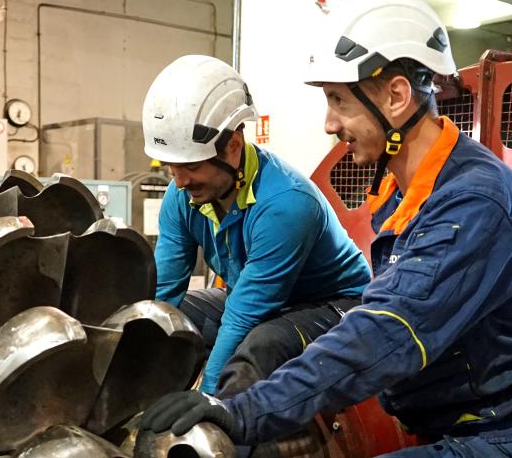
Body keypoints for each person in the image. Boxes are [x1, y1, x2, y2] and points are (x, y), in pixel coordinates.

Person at [139, 0, 512, 458]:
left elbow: (386, 332)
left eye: (339, 101)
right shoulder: (399, 190)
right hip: (450, 424)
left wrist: (240, 410)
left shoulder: (473, 203)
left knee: (264, 342)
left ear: (395, 96)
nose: (329, 124)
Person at [142, 54, 372, 398]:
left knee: (258, 347)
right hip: (257, 296)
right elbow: (164, 292)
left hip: (337, 303)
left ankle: (222, 443)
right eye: (171, 167)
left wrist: (207, 404)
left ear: (233, 147)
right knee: (177, 316)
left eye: (190, 166)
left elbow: (241, 318)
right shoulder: (182, 193)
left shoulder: (286, 205)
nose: (179, 180)